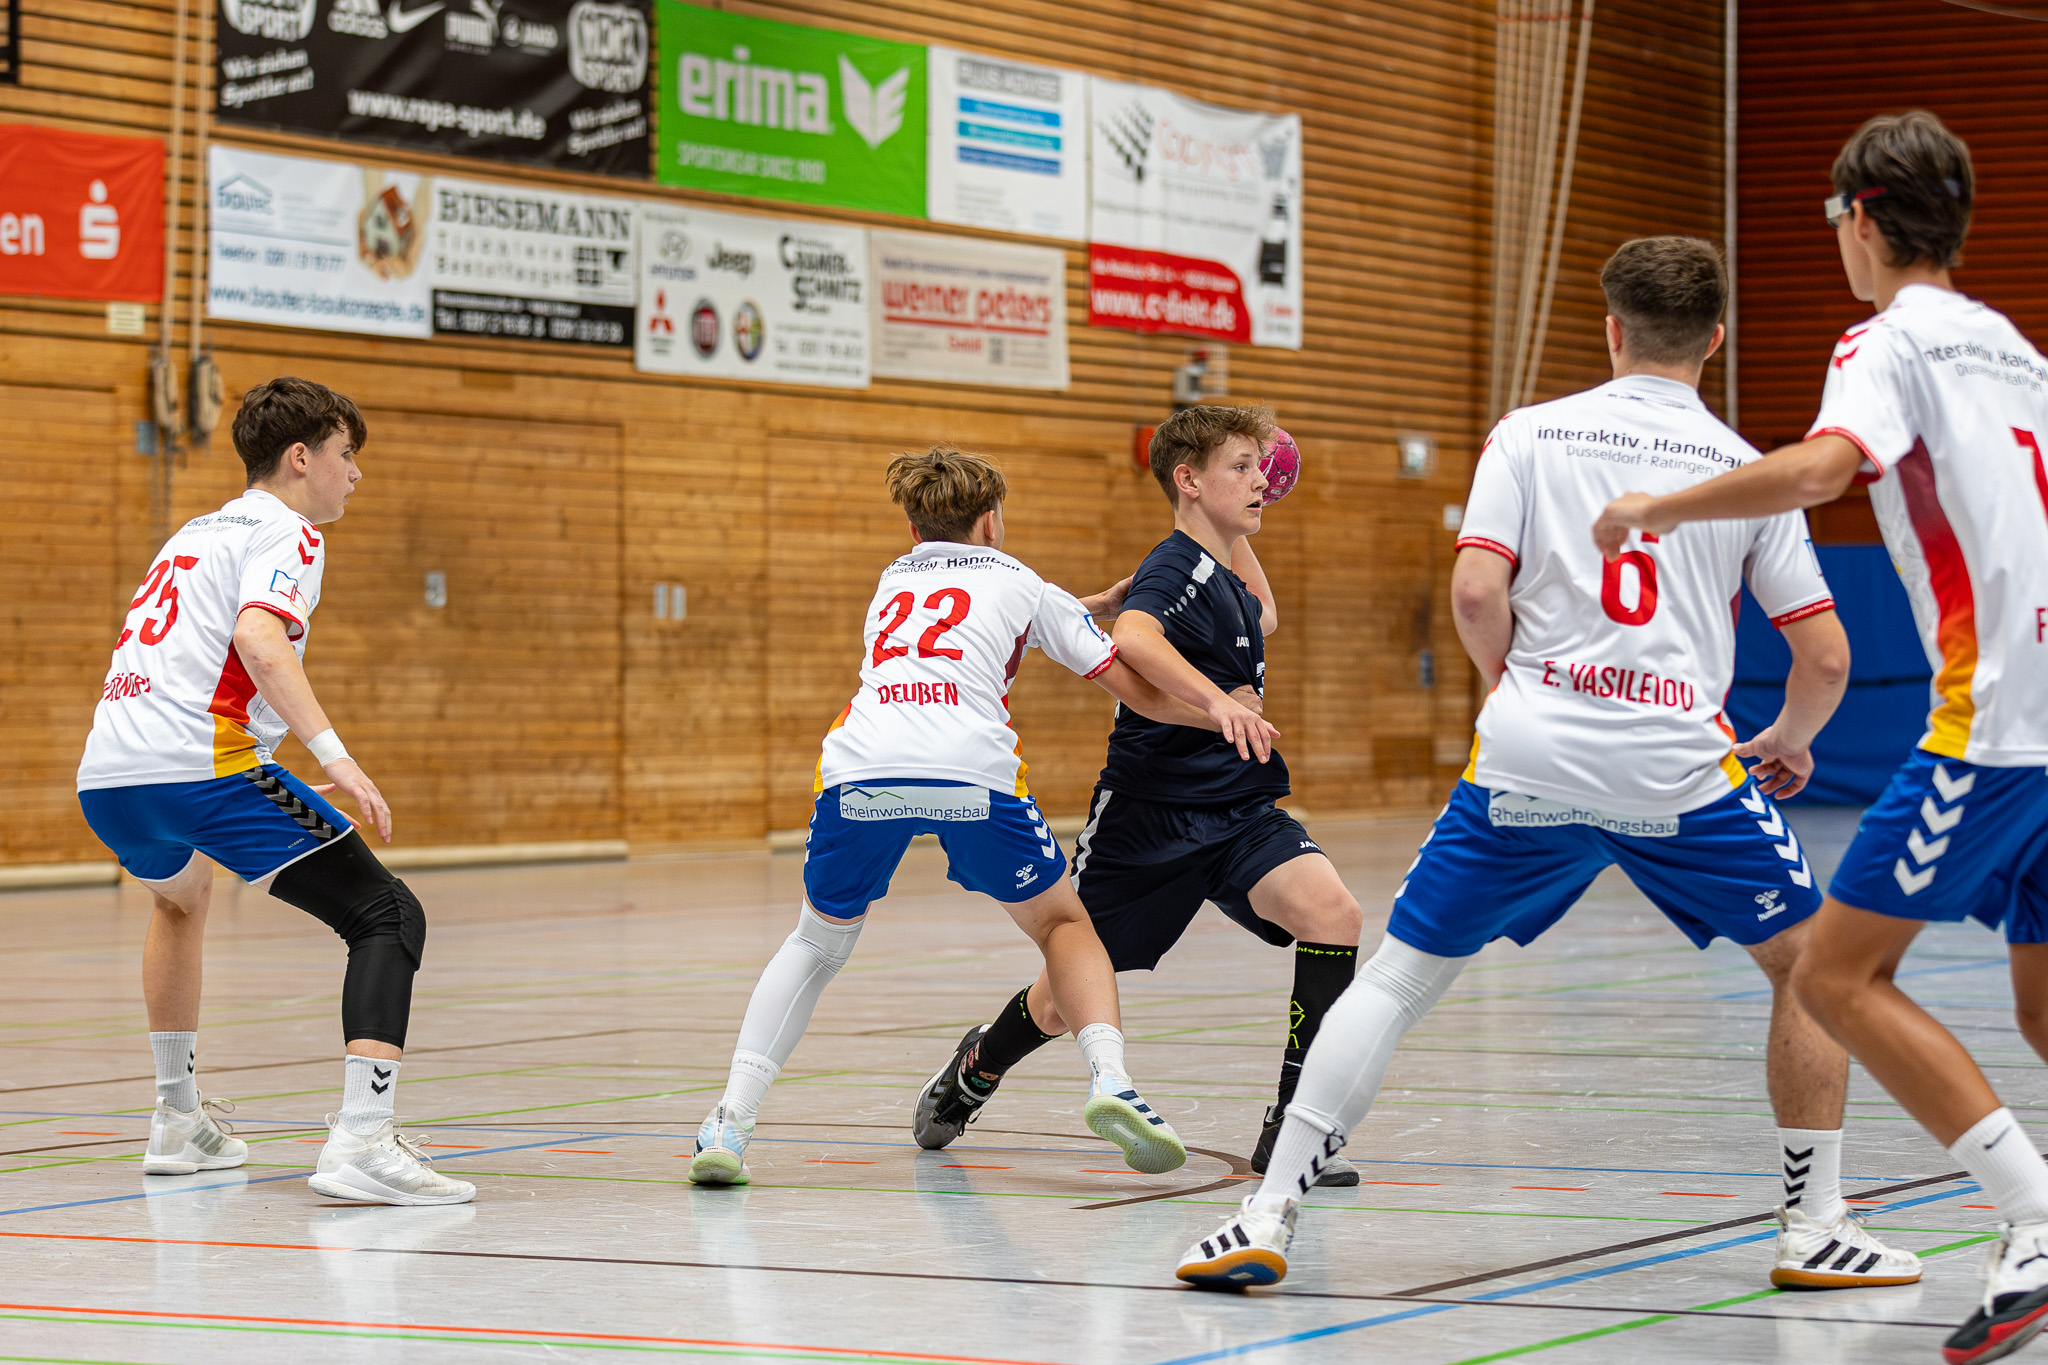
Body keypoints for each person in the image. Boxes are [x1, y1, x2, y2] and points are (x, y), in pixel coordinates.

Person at [1176, 236, 1921, 1292]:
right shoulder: (1745, 472)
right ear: (1714, 339)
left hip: (1530, 755)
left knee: (1395, 979)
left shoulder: (1525, 435)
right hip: (1676, 767)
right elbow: (1826, 654)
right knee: (1809, 971)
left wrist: (1507, 687)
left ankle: (1264, 1211)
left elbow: (1478, 593)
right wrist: (1792, 738)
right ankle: (1811, 1227)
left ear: (1609, 330)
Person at [1595, 114, 2048, 1364]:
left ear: (1857, 217)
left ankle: (2032, 1223)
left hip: (1990, 725)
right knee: (2041, 1000)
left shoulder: (1884, 340)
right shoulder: (2014, 349)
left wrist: (1657, 507)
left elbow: (1819, 471)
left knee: (1834, 977)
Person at [688, 447, 1275, 1186]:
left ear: (913, 526)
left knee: (816, 944)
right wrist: (1218, 708)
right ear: (993, 520)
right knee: (1065, 925)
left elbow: (971, 613)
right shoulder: (1024, 582)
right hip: (971, 777)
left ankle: (731, 1124)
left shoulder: (894, 577)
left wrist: (1077, 605)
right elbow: (1135, 690)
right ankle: (1111, 1082)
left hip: (864, 770)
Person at [908, 404, 1367, 1187]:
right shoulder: (1172, 567)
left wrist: (1244, 518)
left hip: (1237, 809)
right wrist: (1216, 703)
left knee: (1335, 914)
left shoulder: (1220, 567)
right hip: (1148, 818)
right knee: (1062, 999)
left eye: (1263, 467)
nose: (1261, 479)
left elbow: (1266, 615)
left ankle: (1293, 1132)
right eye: (1241, 467)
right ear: (1187, 481)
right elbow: (1135, 639)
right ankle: (977, 1065)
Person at [77, 376, 474, 1207]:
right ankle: (364, 1138)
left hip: (111, 774)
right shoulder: (289, 531)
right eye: (345, 454)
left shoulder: (192, 531)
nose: (354, 474)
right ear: (302, 457)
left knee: (179, 903)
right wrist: (338, 756)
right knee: (387, 914)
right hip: (200, 768)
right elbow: (259, 638)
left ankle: (178, 1117)